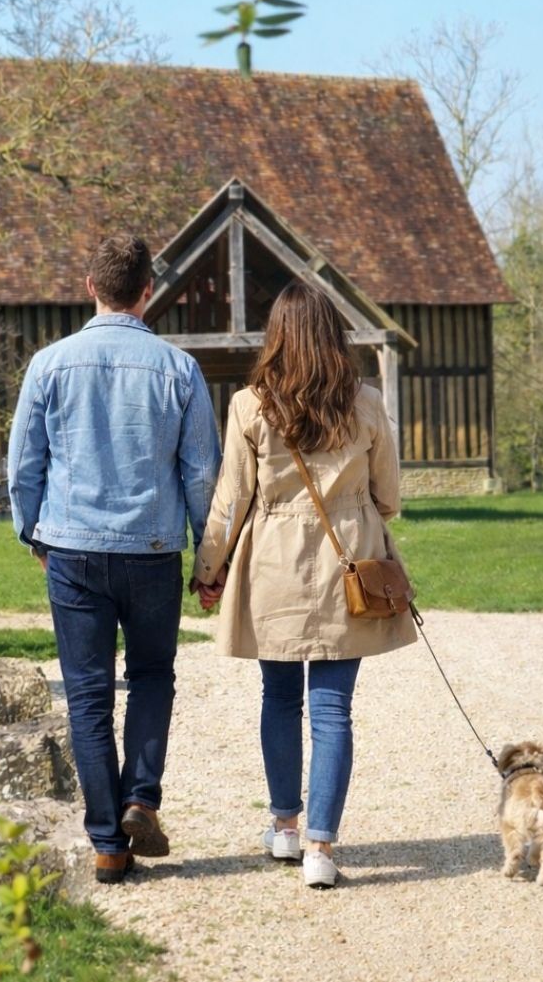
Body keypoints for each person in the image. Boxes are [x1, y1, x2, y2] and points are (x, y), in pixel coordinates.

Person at [8, 233, 221, 884]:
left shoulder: (49, 364)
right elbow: (201, 473)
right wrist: (207, 558)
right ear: (148, 291)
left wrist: (33, 533)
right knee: (153, 676)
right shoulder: (179, 370)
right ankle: (140, 798)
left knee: (89, 694)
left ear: (91, 286)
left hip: (73, 547)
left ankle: (107, 843)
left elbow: (23, 466)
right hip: (153, 549)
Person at [192, 281, 416, 890]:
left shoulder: (249, 405)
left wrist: (208, 571)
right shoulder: (366, 402)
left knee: (280, 698)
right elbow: (390, 496)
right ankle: (321, 846)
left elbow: (231, 500)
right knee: (334, 709)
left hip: (274, 566)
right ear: (333, 335)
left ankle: (285, 827)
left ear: (278, 336)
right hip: (350, 564)